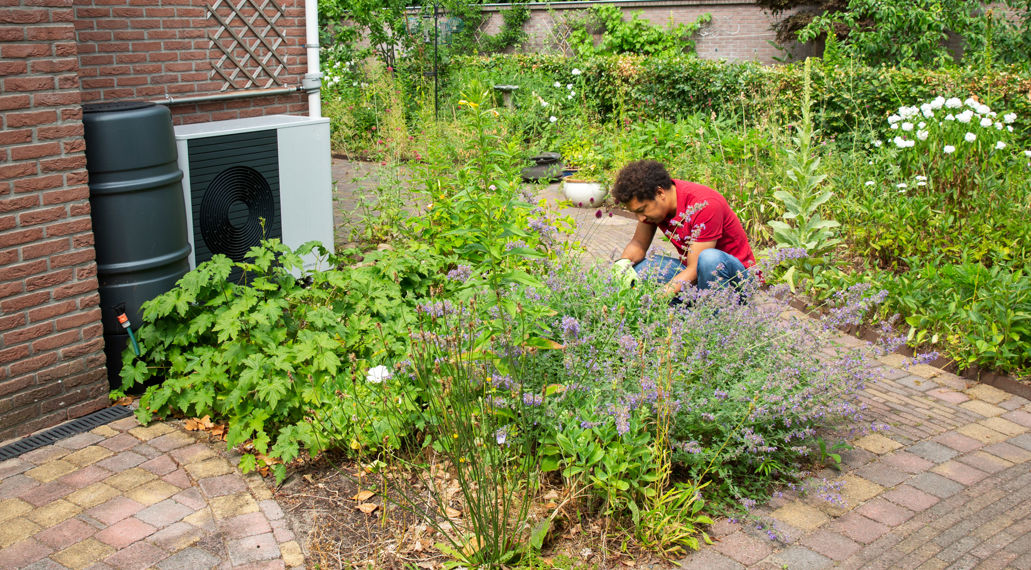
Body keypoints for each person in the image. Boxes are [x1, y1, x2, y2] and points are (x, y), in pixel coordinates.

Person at [611, 159, 755, 297]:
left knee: (709, 258)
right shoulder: (652, 203)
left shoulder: (704, 205)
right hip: (698, 274)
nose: (640, 218)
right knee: (640, 269)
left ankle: (718, 317)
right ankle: (692, 305)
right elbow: (638, 244)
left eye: (642, 210)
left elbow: (694, 269)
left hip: (736, 279)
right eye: (636, 212)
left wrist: (654, 299)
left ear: (660, 193)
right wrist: (620, 273)